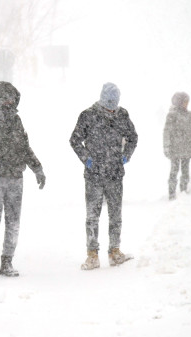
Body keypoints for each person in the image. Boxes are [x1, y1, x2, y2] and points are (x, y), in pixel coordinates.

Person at [0, 81, 45, 279]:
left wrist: (37, 167)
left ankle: (7, 261)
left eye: (13, 99)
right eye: (7, 98)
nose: (10, 102)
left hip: (16, 177)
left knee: (13, 222)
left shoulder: (16, 120)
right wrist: (9, 142)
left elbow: (24, 146)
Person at [69, 82, 138, 271]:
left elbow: (133, 137)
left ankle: (115, 251)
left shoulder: (123, 115)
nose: (111, 107)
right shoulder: (88, 116)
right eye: (108, 102)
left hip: (115, 174)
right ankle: (92, 255)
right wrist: (86, 158)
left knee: (115, 214)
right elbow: (74, 140)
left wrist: (126, 154)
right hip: (94, 175)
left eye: (114, 103)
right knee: (92, 216)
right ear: (101, 98)